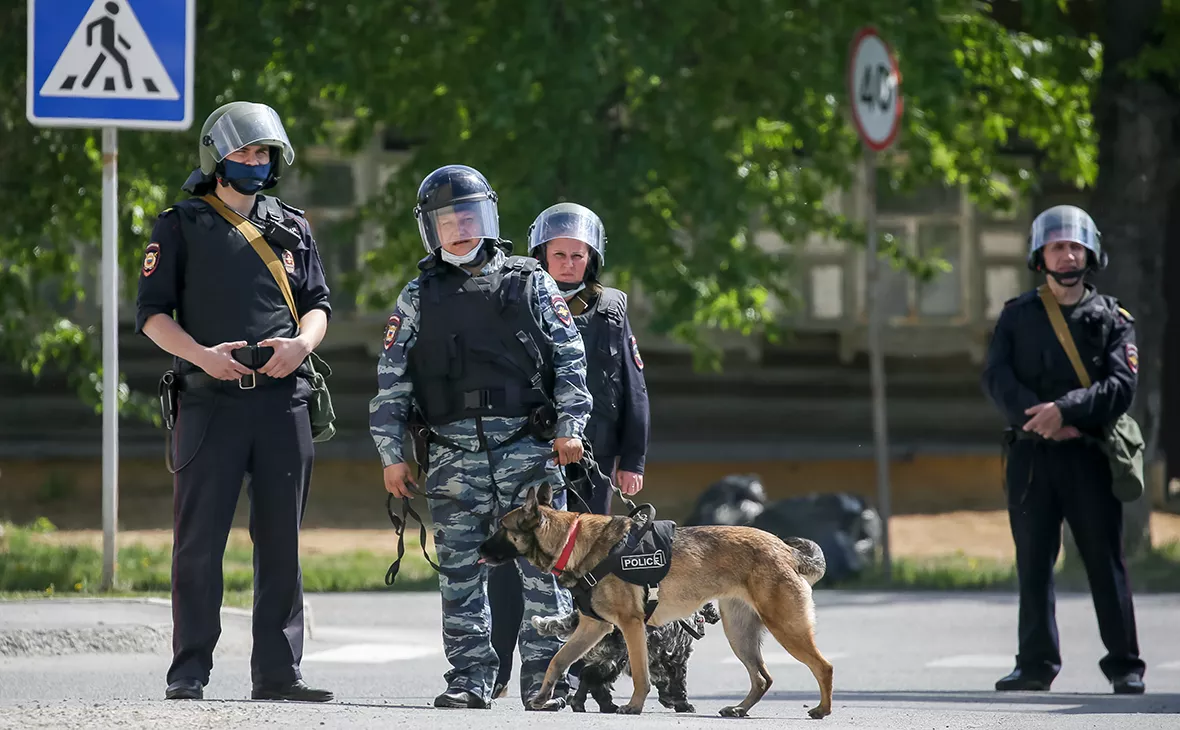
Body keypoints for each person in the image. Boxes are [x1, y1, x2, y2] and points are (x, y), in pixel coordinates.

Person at [368, 164, 593, 710]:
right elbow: (391, 382)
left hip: (527, 451)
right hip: (451, 459)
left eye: (470, 216)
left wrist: (571, 427)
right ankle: (469, 679)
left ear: (488, 217)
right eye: (449, 220)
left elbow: (569, 358)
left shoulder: (530, 280)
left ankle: (546, 682)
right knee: (460, 577)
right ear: (431, 229)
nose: (461, 228)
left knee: (546, 576)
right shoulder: (417, 295)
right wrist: (392, 456)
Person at [135, 101, 334, 703]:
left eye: (264, 153)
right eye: (245, 152)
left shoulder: (293, 226)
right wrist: (200, 356)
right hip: (208, 403)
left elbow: (319, 304)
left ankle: (279, 673)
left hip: (283, 402)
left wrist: (302, 345)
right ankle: (188, 670)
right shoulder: (180, 225)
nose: (256, 162)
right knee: (199, 542)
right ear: (217, 158)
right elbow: (150, 316)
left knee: (282, 542)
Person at [488, 202, 651, 698]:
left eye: (578, 255)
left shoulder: (612, 308)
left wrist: (633, 459)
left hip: (593, 461)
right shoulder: (515, 300)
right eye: (558, 254)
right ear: (540, 254)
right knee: (518, 559)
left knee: (597, 572)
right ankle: (499, 666)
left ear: (592, 258)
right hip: (532, 455)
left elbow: (632, 387)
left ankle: (587, 679)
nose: (567, 264)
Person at [981, 204, 1145, 694]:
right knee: (1033, 563)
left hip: (1089, 458)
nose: (1067, 254)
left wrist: (1067, 412)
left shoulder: (1113, 319)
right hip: (1032, 458)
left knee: (1104, 562)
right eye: (1057, 246)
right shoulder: (1017, 316)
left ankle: (1125, 665)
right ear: (1040, 254)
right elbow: (996, 378)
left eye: (1075, 245)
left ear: (1090, 252)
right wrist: (1040, 415)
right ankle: (1034, 665)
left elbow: (1121, 385)